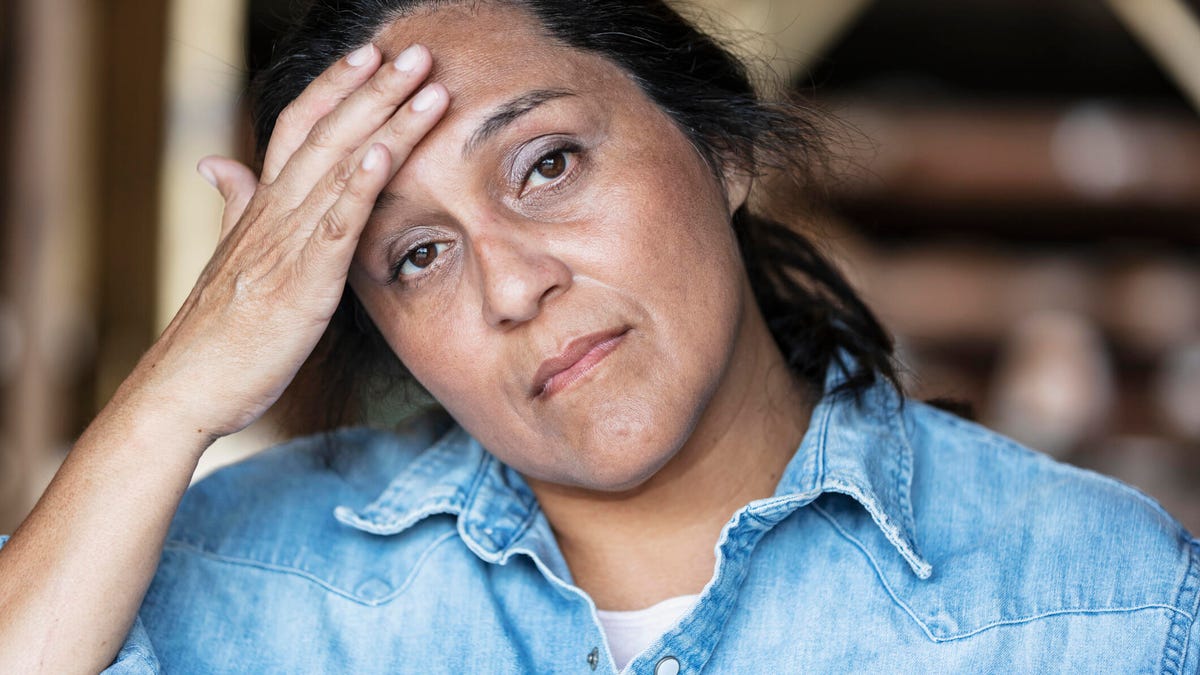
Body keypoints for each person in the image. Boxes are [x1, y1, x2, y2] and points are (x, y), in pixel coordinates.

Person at [1, 1, 1197, 672]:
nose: (511, 288)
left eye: (548, 164)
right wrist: (180, 388)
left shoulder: (1097, 606)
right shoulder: (246, 592)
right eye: (415, 256)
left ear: (720, 150)